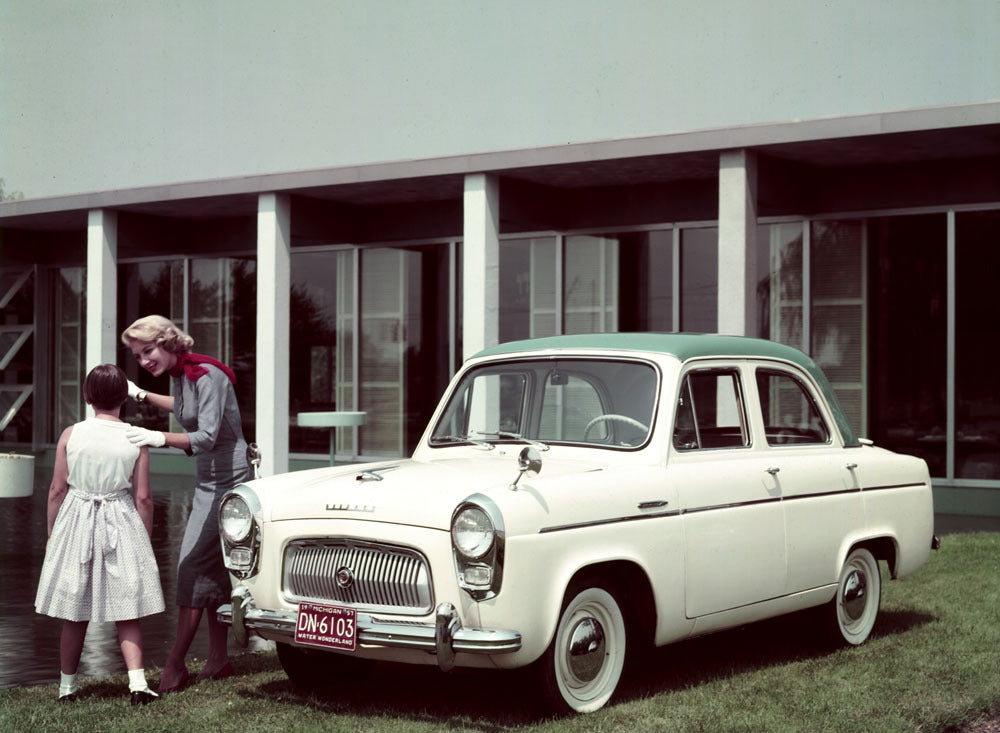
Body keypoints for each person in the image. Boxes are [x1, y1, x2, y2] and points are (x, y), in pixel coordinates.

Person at [120, 315, 249, 692]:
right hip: (207, 479)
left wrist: (155, 437)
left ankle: (174, 666)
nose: (144, 362)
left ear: (168, 342)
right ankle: (218, 660)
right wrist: (140, 394)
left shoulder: (208, 375)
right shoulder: (182, 374)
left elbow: (206, 436)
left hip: (231, 479)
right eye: (138, 356)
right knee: (209, 568)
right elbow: (183, 407)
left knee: (192, 566)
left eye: (148, 351)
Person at [35, 363, 164, 705]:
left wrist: (52, 532)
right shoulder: (135, 437)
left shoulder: (71, 433)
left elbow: (56, 490)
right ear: (125, 397)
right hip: (120, 517)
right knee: (127, 606)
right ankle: (137, 685)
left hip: (76, 517)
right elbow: (144, 497)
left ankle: (67, 688)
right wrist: (143, 538)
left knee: (74, 610)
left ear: (87, 396)